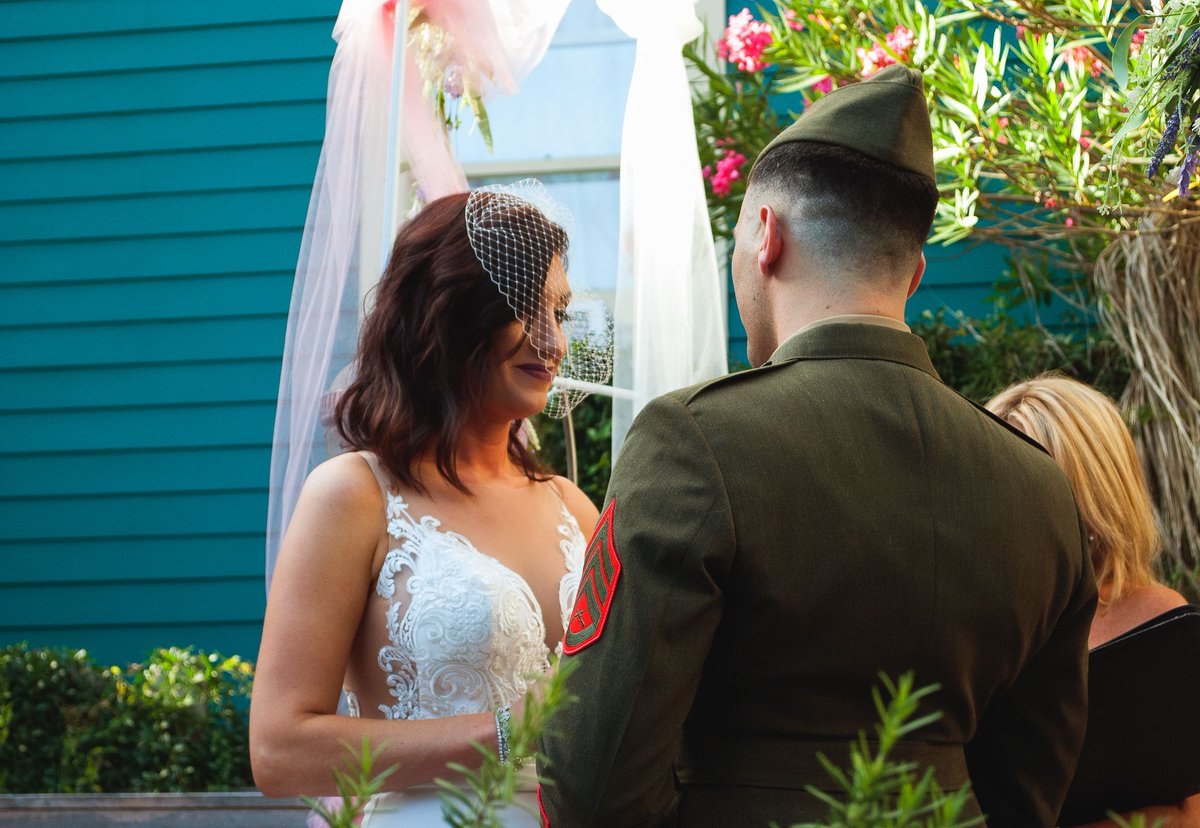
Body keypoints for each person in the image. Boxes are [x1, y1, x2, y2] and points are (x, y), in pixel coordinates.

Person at [537, 65, 1097, 828]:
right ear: (916, 273)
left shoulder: (696, 440)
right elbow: (1032, 785)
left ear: (766, 237)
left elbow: (593, 779)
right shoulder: (1040, 485)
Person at [251, 183, 601, 826]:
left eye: (563, 312)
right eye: (527, 307)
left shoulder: (573, 509)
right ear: (449, 311)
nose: (552, 342)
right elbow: (279, 749)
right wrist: (511, 731)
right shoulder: (355, 495)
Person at [987, 374, 1200, 828]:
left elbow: (1187, 811)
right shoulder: (966, 619)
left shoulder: (1161, 627)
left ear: (1095, 496)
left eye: (1036, 487)